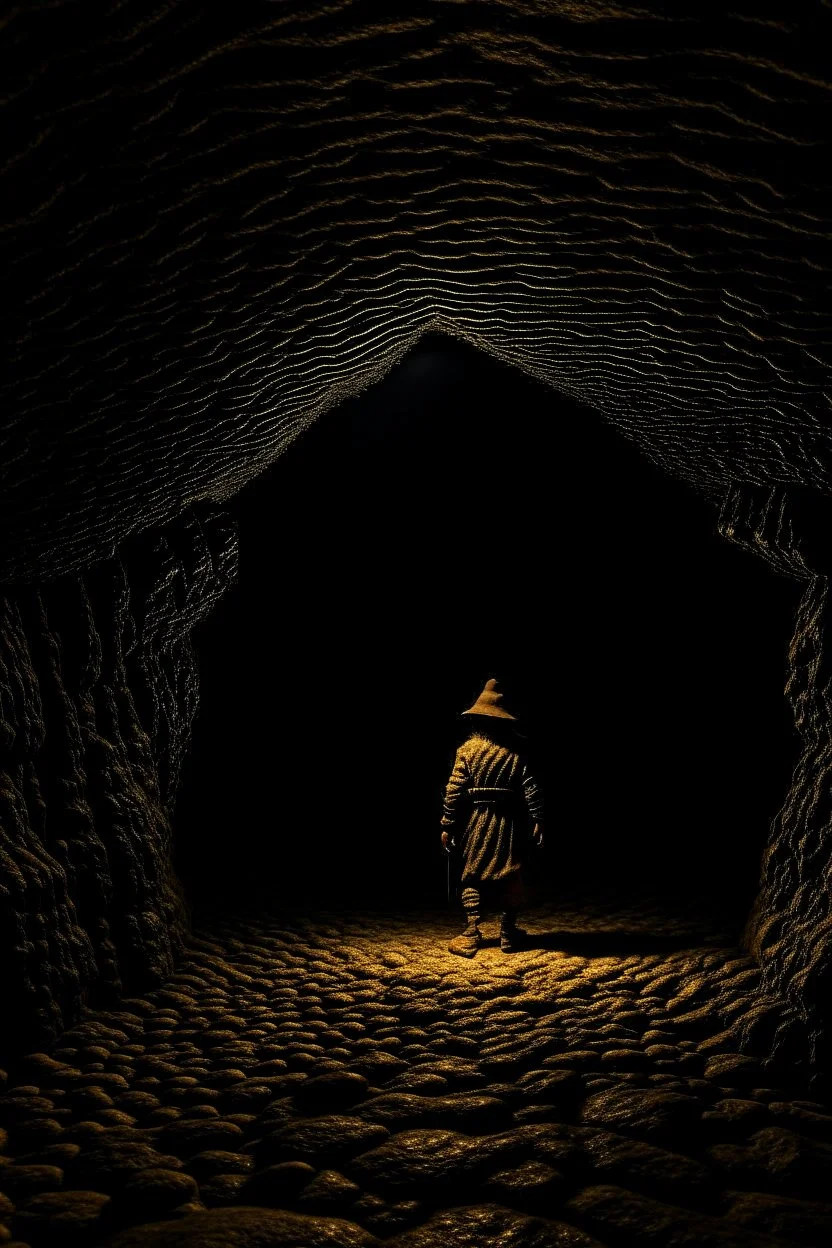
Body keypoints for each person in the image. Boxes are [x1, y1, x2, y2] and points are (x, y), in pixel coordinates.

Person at [441, 677, 544, 957]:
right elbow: (529, 786)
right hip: (510, 823)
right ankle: (507, 932)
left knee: (473, 874)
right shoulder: (516, 750)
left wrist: (448, 824)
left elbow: (454, 789)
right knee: (510, 874)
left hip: (478, 820)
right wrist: (536, 818)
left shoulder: (468, 749)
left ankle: (472, 932)